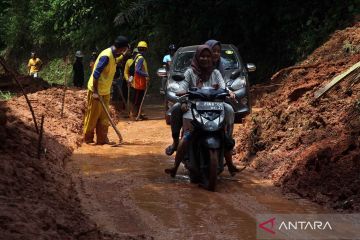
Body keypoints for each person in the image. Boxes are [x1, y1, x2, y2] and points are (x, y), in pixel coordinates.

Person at [164, 45, 239, 177]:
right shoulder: (189, 73)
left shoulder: (216, 73)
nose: (205, 59)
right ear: (197, 57)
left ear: (212, 58)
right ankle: (175, 166)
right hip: (193, 108)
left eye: (208, 56)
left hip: (214, 108)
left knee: (224, 131)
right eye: (202, 56)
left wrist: (229, 92)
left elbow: (223, 87)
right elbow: (181, 88)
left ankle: (230, 163)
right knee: (187, 137)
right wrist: (183, 99)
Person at [83, 36, 129, 145]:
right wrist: (95, 92)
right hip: (96, 91)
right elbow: (95, 74)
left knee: (104, 117)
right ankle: (88, 139)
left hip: (105, 91)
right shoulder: (106, 56)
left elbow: (115, 61)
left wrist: (123, 56)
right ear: (121, 48)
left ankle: (102, 139)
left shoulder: (113, 55)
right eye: (124, 49)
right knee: (93, 116)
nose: (124, 51)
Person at [129, 41, 149, 120]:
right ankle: (134, 115)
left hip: (139, 82)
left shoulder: (137, 56)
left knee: (138, 99)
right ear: (144, 49)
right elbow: (137, 70)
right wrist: (146, 75)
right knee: (137, 100)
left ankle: (138, 114)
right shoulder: (140, 58)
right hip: (139, 82)